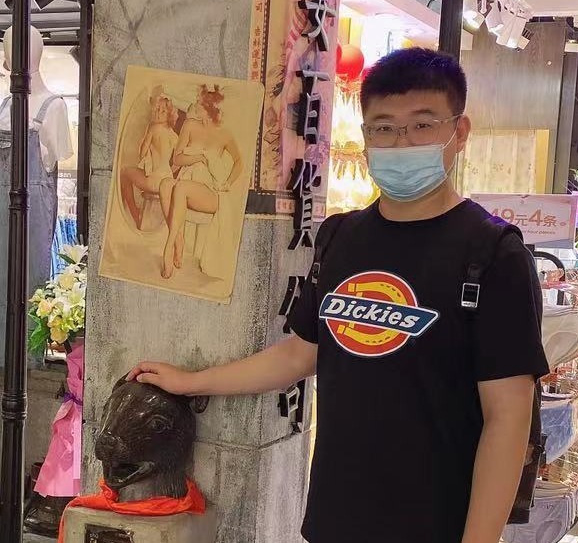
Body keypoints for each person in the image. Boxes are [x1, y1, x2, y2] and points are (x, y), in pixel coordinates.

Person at [127, 48, 549, 543]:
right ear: (366, 136)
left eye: (422, 125)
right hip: (335, 520)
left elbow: (507, 417)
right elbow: (301, 353)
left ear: (459, 132)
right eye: (384, 127)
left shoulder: (494, 254)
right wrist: (193, 382)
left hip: (435, 525)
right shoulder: (341, 237)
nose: (401, 142)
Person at [159, 85, 243, 279]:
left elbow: (239, 162)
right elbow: (177, 159)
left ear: (209, 108)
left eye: (199, 101)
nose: (195, 103)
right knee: (165, 184)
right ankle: (179, 239)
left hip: (211, 192)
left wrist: (228, 183)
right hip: (188, 183)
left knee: (180, 187)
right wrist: (199, 158)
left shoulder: (225, 134)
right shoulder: (190, 125)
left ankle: (168, 246)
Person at [120, 93, 178, 228]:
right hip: (167, 181)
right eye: (157, 109)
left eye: (163, 111)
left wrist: (144, 139)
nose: (158, 113)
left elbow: (142, 153)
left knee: (124, 173)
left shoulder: (153, 128)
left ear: (169, 115)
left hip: (153, 181)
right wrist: (171, 170)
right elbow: (178, 160)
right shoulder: (173, 135)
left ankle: (135, 213)